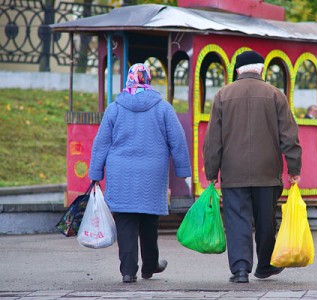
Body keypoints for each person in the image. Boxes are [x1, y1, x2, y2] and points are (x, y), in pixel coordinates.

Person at [203, 50, 302, 283]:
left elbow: (213, 139)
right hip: (267, 172)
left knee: (237, 219)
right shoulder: (276, 95)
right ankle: (265, 265)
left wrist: (211, 172)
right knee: (266, 219)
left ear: (237, 70)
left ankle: (240, 270)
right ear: (261, 69)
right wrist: (294, 168)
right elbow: (289, 136)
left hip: (233, 172)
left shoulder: (222, 95)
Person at [88, 63, 191, 283]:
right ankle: (150, 265)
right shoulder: (162, 108)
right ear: (148, 79)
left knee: (124, 219)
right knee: (149, 219)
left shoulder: (115, 108)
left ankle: (128, 271)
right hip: (151, 174)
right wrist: (183, 171)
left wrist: (96, 173)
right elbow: (178, 140)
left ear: (128, 80)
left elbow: (101, 143)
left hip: (120, 173)